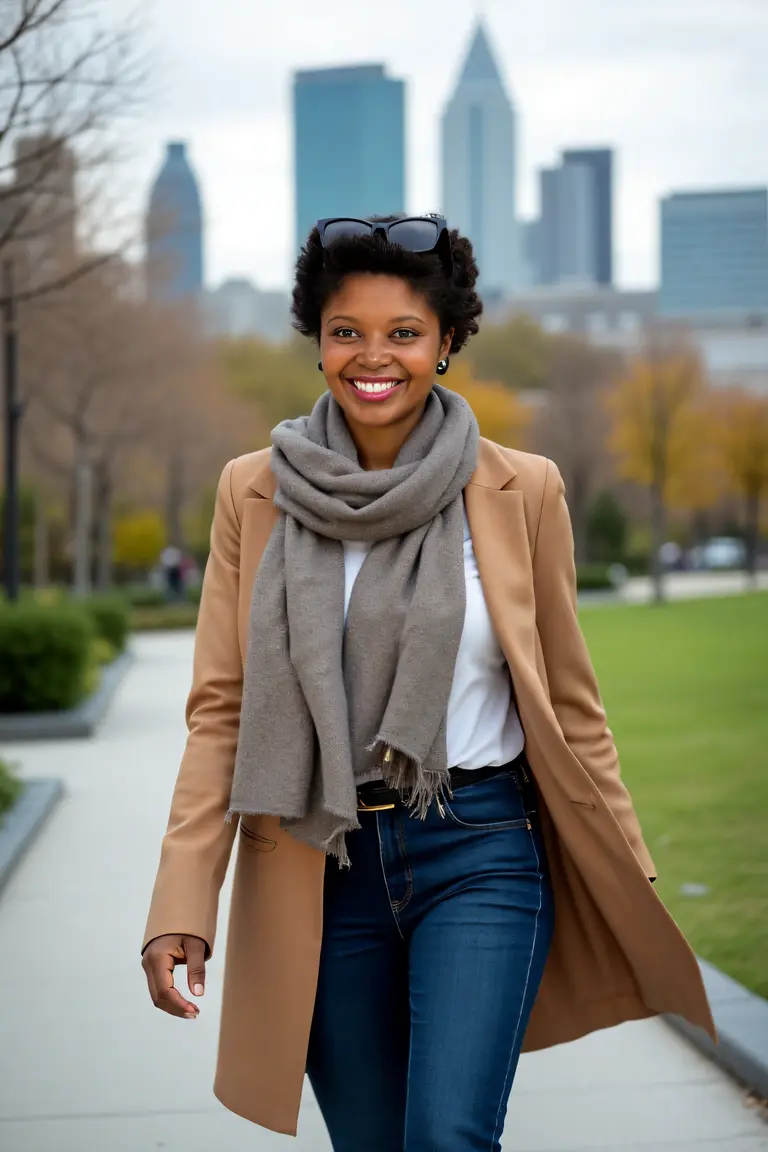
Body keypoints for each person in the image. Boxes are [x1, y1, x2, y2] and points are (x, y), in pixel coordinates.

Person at [141, 216, 714, 1151]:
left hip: (480, 849)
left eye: (404, 333)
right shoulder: (253, 491)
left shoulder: (522, 489)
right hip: (316, 863)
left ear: (447, 343)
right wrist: (179, 907)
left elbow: (572, 703)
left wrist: (629, 864)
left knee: (448, 1135)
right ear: (318, 342)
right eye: (346, 331)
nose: (374, 357)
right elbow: (222, 715)